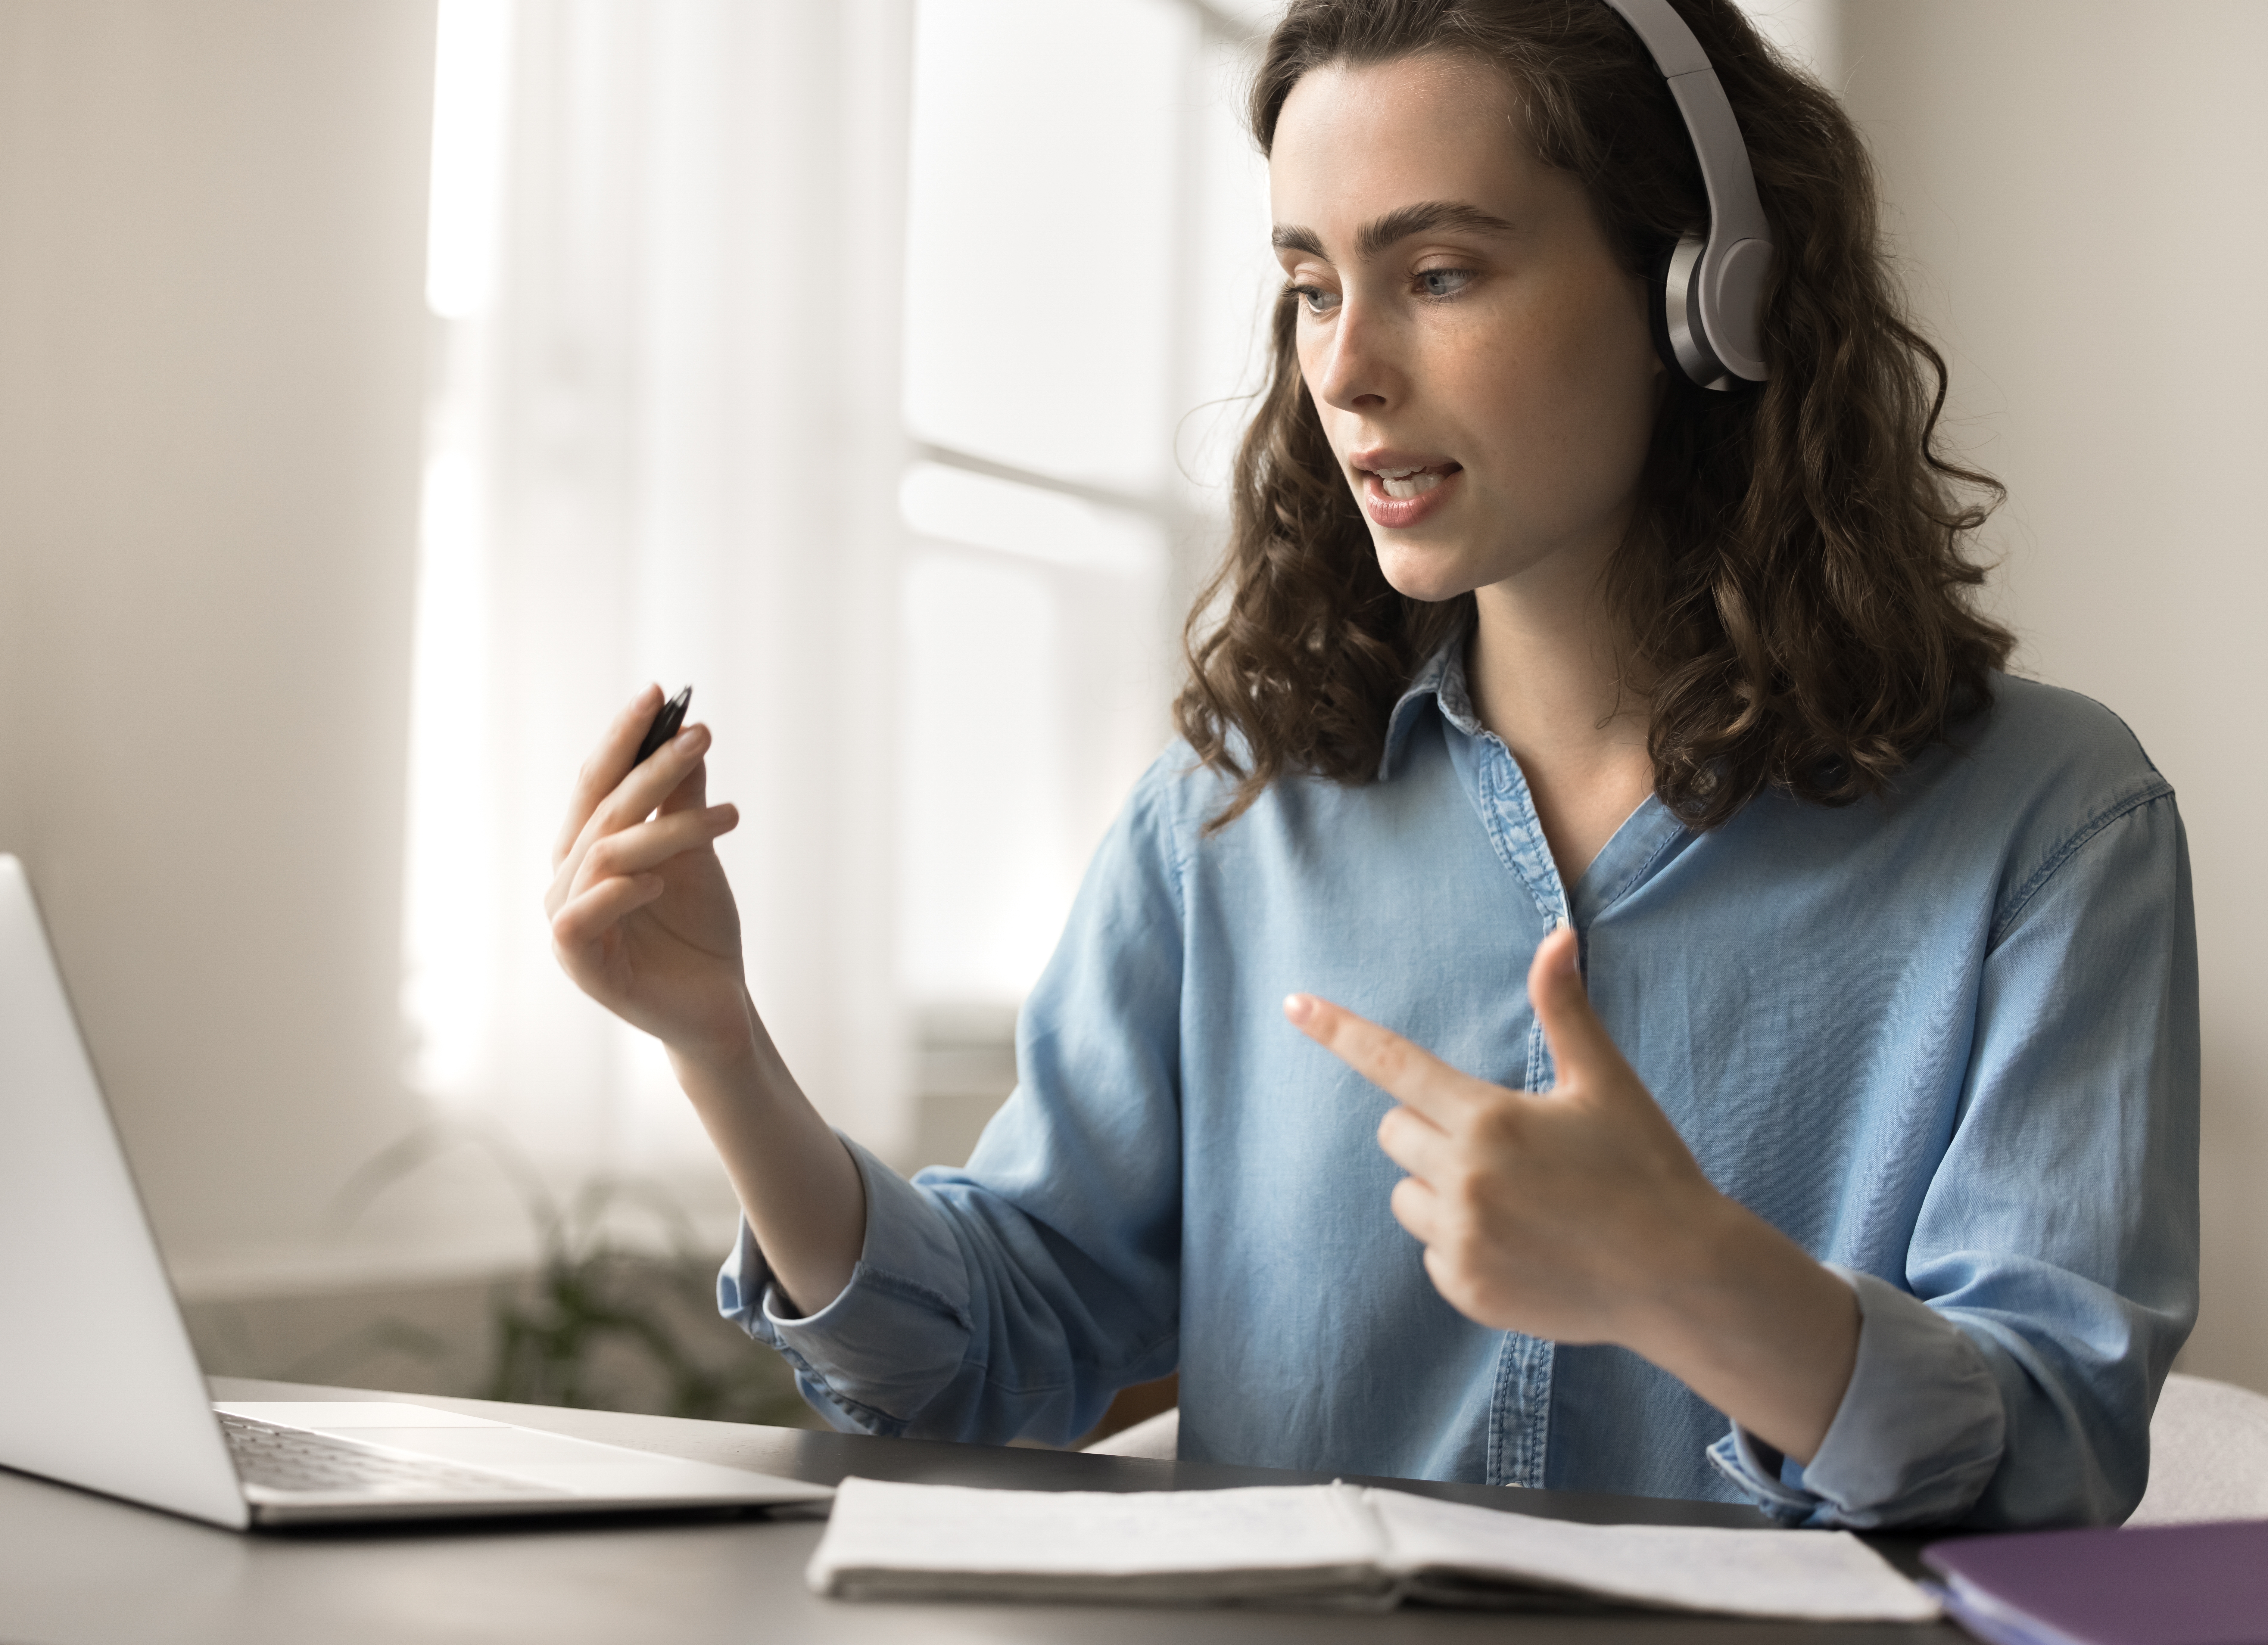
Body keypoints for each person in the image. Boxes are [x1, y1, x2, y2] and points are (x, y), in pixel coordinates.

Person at [543, 0, 2195, 1529]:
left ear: (1708, 299)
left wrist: (1693, 1275)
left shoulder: (2051, 824)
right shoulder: (1226, 815)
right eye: (1315, 287)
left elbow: (2048, 1459)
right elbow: (982, 1357)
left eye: (1442, 273)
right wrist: (721, 1047)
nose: (1343, 371)